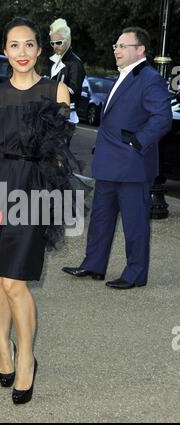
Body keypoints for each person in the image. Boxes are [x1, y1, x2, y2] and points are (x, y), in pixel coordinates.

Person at [0, 17, 76, 404]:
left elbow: (60, 153)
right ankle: (3, 351)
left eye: (29, 45)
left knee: (15, 282)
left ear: (40, 49)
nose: (23, 53)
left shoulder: (57, 91)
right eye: (15, 46)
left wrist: (57, 203)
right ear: (5, 51)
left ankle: (26, 359)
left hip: (34, 192)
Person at [62, 27, 172, 290]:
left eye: (122, 46)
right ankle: (94, 265)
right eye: (116, 46)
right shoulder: (122, 76)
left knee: (135, 224)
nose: (117, 50)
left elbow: (162, 118)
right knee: (101, 218)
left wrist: (138, 141)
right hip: (109, 164)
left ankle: (135, 274)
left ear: (140, 49)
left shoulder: (149, 78)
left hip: (133, 165)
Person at [49, 18, 86, 123]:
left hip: (65, 114)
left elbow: (74, 91)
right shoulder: (55, 60)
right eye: (52, 43)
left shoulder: (75, 63)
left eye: (58, 42)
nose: (55, 46)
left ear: (68, 40)